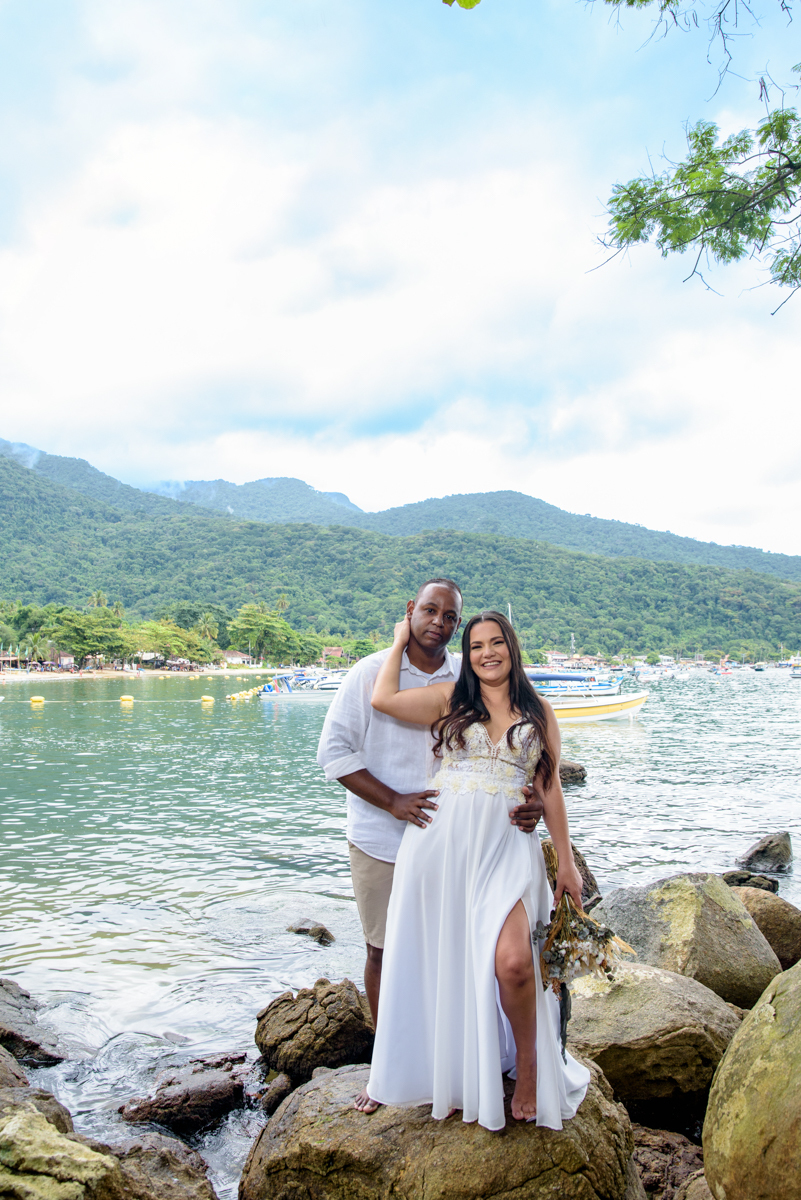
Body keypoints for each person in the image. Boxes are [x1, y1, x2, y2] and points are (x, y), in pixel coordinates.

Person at [316, 580, 545, 1114]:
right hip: (382, 837)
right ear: (409, 612)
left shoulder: (465, 677)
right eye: (429, 610)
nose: (438, 621)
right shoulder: (372, 671)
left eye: (450, 616)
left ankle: (461, 1059)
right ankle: (387, 1070)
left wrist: (528, 801)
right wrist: (393, 800)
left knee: (460, 952)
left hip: (457, 843)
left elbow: (511, 754)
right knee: (384, 949)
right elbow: (334, 751)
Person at [364, 609, 591, 1130]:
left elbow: (550, 787)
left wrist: (567, 860)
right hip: (439, 849)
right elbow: (383, 699)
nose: (486, 653)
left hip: (507, 845)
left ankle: (530, 1066)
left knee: (513, 963)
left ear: (512, 647)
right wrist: (400, 639)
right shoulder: (451, 699)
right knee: (446, 959)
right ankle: (454, 1065)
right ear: (467, 657)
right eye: (475, 646)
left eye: (496, 643)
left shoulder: (540, 713)